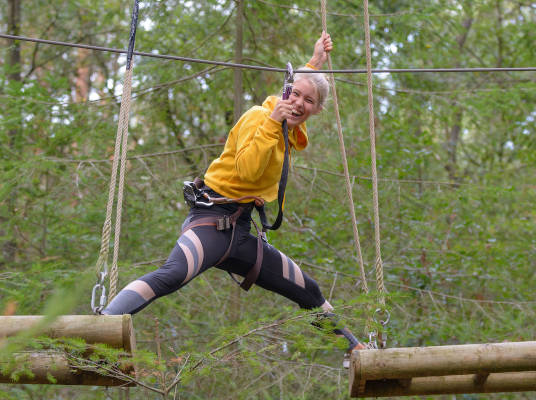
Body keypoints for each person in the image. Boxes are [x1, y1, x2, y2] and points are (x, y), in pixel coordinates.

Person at [103, 31, 365, 354]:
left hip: (239, 236)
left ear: (316, 110)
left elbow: (297, 98)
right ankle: (103, 324)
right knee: (171, 275)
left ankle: (357, 352)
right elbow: (247, 171)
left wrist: (314, 63)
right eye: (294, 94)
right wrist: (273, 121)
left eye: (308, 101)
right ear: (285, 92)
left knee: (308, 290)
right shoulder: (260, 118)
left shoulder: (287, 126)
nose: (298, 103)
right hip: (211, 223)